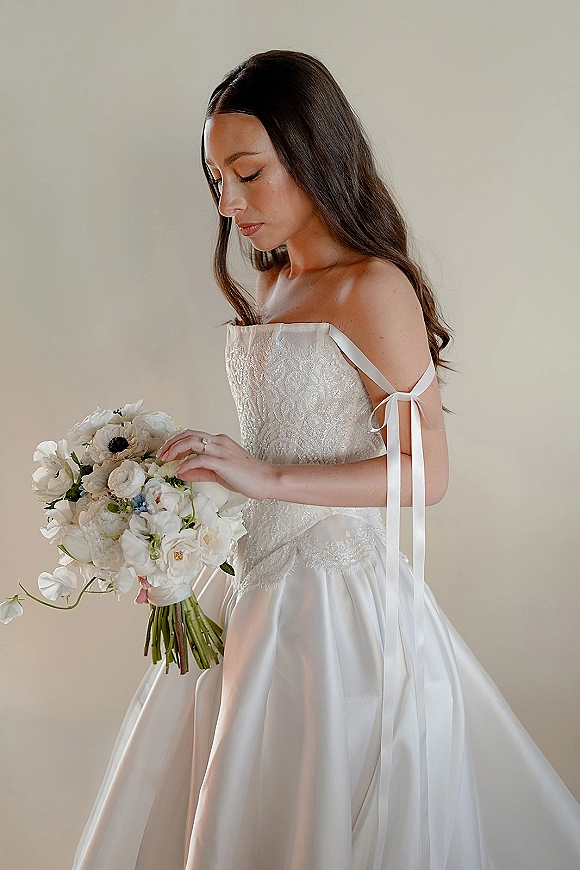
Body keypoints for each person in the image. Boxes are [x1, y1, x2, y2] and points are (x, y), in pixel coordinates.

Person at [72, 50, 580, 870]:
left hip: (328, 609)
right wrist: (178, 533)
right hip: (248, 585)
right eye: (217, 178)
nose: (229, 202)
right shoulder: (275, 285)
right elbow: (268, 447)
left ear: (312, 156)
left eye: (248, 173)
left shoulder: (372, 288)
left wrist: (264, 479)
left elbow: (428, 474)